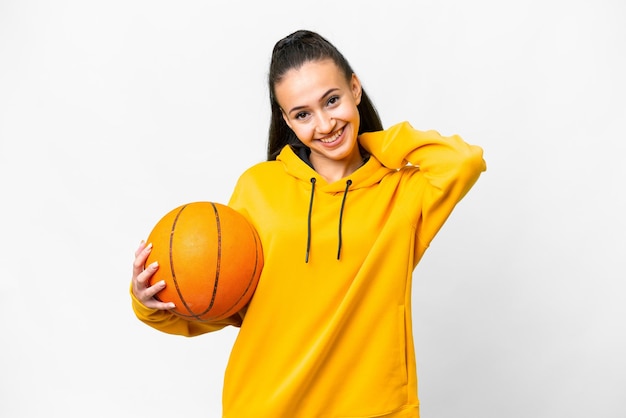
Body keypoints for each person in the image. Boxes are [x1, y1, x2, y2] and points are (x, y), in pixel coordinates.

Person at [131, 29, 486, 417]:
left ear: (355, 88)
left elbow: (462, 162)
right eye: (302, 114)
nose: (325, 124)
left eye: (331, 100)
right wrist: (150, 300)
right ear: (286, 119)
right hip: (264, 407)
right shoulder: (259, 187)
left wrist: (375, 142)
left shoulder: (401, 193)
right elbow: (224, 301)